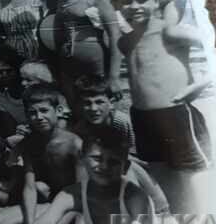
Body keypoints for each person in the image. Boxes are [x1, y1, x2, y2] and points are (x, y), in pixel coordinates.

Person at [114, 0, 212, 210]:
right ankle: (182, 220)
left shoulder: (169, 31)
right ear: (117, 5)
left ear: (155, 1)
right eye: (126, 1)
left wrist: (200, 83)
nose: (134, 6)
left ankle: (203, 220)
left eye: (141, 0)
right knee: (160, 171)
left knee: (191, 176)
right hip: (143, 117)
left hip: (175, 114)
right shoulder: (125, 41)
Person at [25, 125, 152, 224]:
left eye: (113, 162)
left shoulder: (133, 196)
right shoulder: (73, 194)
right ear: (82, 158)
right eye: (97, 159)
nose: (104, 167)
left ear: (126, 167)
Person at [0, 84, 84, 224]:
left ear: (58, 111)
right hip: (48, 203)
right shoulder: (30, 143)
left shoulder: (74, 144)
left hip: (73, 205)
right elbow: (30, 188)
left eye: (44, 111)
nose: (38, 117)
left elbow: (81, 193)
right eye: (32, 113)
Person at [71, 75, 171, 215]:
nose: (93, 108)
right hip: (103, 166)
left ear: (111, 103)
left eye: (99, 102)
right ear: (79, 105)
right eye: (87, 103)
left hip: (132, 163)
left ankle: (158, 206)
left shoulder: (121, 122)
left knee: (129, 168)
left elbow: (136, 154)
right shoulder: (80, 129)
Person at [44, 0, 124, 105]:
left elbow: (115, 33)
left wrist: (114, 77)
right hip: (68, 67)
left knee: (98, 108)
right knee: (77, 111)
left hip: (96, 64)